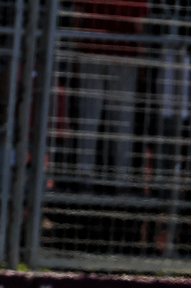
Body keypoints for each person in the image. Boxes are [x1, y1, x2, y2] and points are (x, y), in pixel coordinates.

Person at [71, 0, 148, 190]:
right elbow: (139, 24)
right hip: (123, 54)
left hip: (92, 51)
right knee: (122, 122)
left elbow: (77, 15)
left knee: (88, 119)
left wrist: (74, 50)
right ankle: (121, 180)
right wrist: (142, 57)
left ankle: (84, 177)